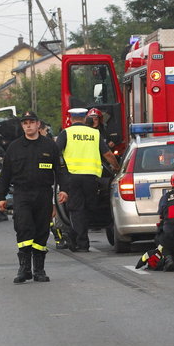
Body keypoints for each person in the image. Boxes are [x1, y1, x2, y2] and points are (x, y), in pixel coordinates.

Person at [0, 110, 69, 284]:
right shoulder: (14, 147)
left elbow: (60, 170)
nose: (28, 125)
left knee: (41, 231)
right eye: (25, 123)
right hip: (22, 194)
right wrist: (1, 196)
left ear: (38, 125)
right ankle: (24, 269)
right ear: (22, 126)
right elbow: (5, 173)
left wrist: (64, 189)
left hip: (43, 194)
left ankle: (39, 270)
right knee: (23, 228)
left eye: (31, 122)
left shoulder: (49, 146)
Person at [56, 107, 119, 252]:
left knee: (76, 210)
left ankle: (79, 240)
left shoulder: (66, 133)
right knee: (89, 207)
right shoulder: (95, 133)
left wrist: (58, 169)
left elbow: (55, 151)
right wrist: (116, 167)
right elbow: (108, 154)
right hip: (91, 178)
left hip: (72, 177)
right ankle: (81, 239)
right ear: (85, 118)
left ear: (71, 119)